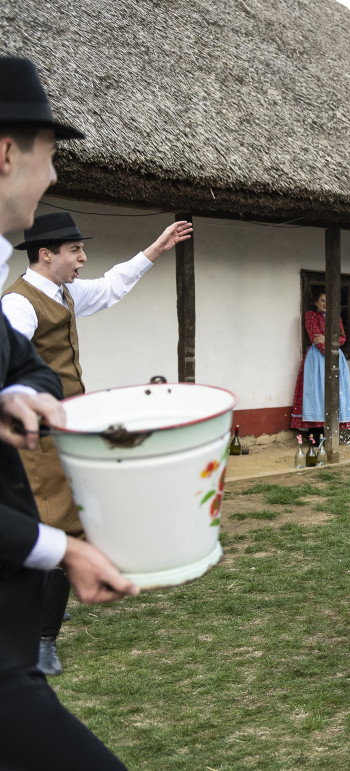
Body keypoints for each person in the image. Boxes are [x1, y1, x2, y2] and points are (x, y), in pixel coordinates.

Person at [0, 54, 140, 771]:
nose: (53, 174)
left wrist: (17, 393)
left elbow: (18, 364)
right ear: (5, 153)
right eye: (49, 156)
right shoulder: (15, 296)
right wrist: (65, 551)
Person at [1, 210, 190, 676]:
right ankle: (42, 640)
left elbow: (109, 288)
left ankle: (41, 607)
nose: (83, 258)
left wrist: (156, 249)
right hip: (37, 436)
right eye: (74, 251)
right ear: (46, 255)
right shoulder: (17, 305)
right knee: (61, 524)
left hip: (69, 428)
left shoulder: (63, 292)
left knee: (60, 520)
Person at [290, 292, 350, 444]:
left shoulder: (335, 317)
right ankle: (315, 436)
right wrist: (330, 346)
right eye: (322, 300)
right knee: (317, 393)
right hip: (317, 359)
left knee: (334, 392)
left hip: (334, 357)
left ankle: (330, 437)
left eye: (328, 301)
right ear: (316, 302)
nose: (325, 303)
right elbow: (314, 336)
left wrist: (326, 339)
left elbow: (342, 338)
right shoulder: (310, 315)